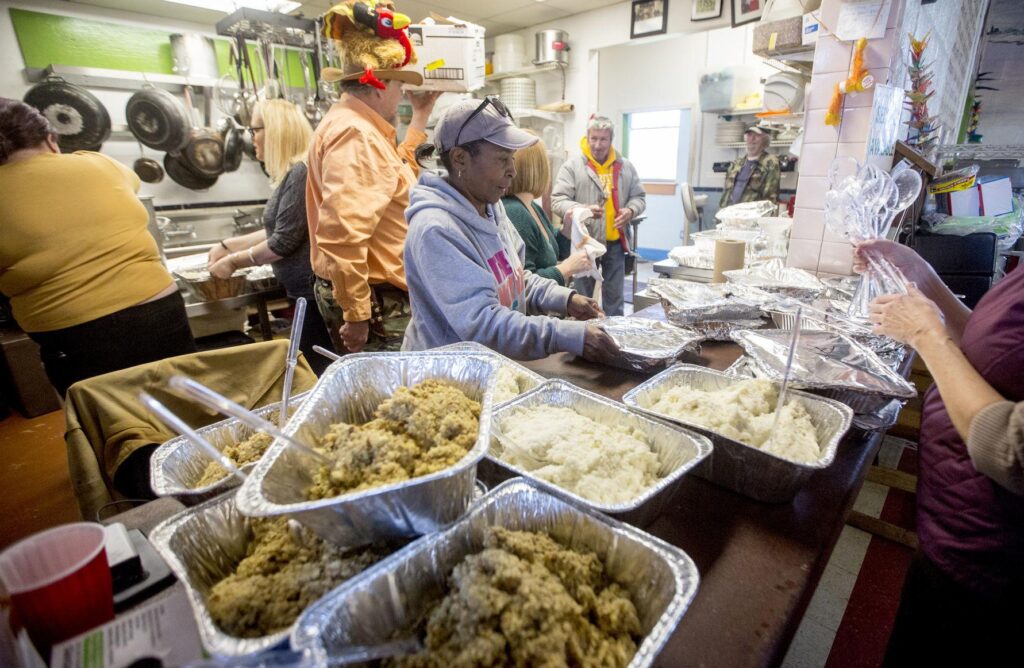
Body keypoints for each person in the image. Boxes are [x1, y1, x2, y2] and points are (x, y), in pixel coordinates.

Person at [856, 240, 1024, 666]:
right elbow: (987, 346)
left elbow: (1009, 447)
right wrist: (925, 276)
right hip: (953, 530)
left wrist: (924, 335)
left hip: (992, 567)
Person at [0, 98, 196, 397]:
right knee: (184, 406)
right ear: (52, 139)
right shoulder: (99, 164)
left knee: (110, 423)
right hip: (159, 313)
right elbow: (129, 187)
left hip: (73, 333)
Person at [402, 97, 619, 363]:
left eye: (513, 159)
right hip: (446, 377)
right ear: (460, 158)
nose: (513, 171)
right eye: (503, 159)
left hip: (486, 368)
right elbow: (482, 324)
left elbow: (513, 278)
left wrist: (566, 299)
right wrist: (566, 334)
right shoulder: (436, 229)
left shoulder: (491, 207)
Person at [307, 4, 440, 354]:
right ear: (378, 83)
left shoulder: (360, 128)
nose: (401, 97)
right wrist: (356, 314)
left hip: (380, 297)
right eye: (397, 85)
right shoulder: (355, 134)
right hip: (378, 302)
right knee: (392, 395)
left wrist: (421, 117)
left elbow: (397, 178)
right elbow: (342, 233)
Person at [206, 99, 335, 375]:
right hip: (304, 295)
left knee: (317, 373)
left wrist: (233, 262)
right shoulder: (293, 172)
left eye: (255, 130)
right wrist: (226, 246)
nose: (251, 137)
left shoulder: (301, 171)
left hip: (311, 297)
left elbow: (283, 242)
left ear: (275, 131)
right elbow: (278, 229)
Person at [551, 115, 646, 317]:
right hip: (584, 244)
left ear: (611, 139)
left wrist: (631, 210)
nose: (597, 144)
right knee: (583, 300)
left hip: (615, 244)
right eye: (593, 138)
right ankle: (584, 340)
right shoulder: (573, 166)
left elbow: (639, 197)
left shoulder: (625, 167)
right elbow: (557, 200)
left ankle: (614, 341)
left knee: (615, 299)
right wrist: (581, 209)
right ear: (587, 136)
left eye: (603, 139)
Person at [501, 131, 592, 287]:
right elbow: (524, 283)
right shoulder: (516, 212)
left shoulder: (533, 207)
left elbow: (549, 251)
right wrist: (566, 268)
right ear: (539, 168)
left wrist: (566, 231)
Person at [719, 126, 780, 208]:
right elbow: (726, 193)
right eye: (749, 135)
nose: (752, 139)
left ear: (765, 140)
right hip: (731, 214)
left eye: (756, 136)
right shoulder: (736, 163)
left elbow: (770, 196)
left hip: (753, 216)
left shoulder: (770, 162)